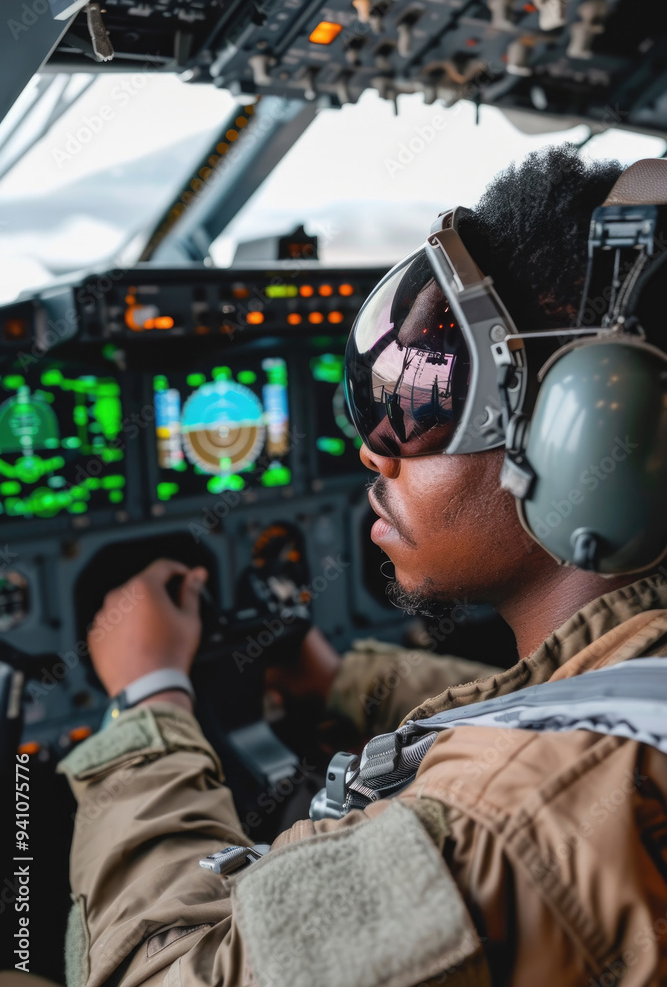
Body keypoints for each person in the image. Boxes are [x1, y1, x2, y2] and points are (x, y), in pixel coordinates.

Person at [58, 147, 667, 987]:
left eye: (416, 407)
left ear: (583, 437)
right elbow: (575, 700)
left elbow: (161, 973)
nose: (370, 456)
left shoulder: (504, 824)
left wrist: (145, 703)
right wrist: (344, 680)